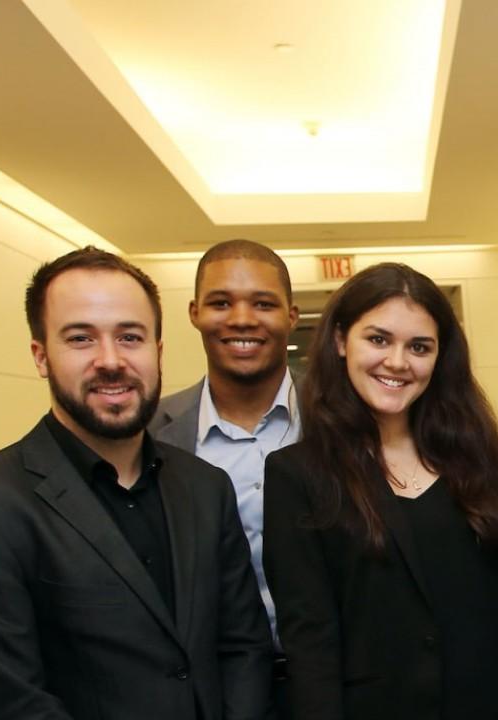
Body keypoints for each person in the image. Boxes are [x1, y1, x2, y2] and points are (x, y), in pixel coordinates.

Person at [0, 247, 271, 720]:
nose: (111, 361)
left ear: (157, 352)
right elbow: (3, 701)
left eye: (130, 337)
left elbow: (242, 646)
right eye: (81, 338)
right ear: (41, 356)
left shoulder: (205, 487)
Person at [262, 263, 498, 719]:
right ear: (339, 341)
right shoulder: (298, 474)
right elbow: (311, 643)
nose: (397, 362)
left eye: (419, 347)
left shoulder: (473, 454)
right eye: (378, 339)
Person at [148, 239, 299, 704]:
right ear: (194, 312)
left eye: (263, 303)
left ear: (291, 316)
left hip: (340, 684)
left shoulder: (347, 422)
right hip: (212, 691)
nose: (241, 319)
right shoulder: (148, 433)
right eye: (220, 302)